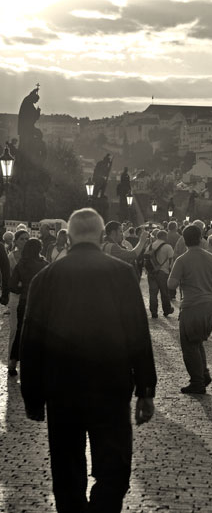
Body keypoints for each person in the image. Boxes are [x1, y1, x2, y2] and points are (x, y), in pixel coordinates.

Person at [20, 208, 157, 513]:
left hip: (62, 390)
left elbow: (31, 341)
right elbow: (138, 333)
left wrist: (32, 396)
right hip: (111, 387)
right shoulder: (122, 274)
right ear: (100, 235)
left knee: (67, 472)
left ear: (67, 237)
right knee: (115, 468)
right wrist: (146, 389)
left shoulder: (45, 278)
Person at [168, 225, 212, 394]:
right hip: (211, 303)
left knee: (189, 345)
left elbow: (171, 284)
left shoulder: (182, 260)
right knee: (197, 341)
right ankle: (204, 374)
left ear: (184, 240)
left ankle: (197, 382)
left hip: (192, 305)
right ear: (201, 239)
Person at [9, 238, 48, 374]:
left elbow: (12, 286)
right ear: (40, 249)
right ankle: (34, 364)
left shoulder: (21, 264)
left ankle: (13, 363)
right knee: (38, 335)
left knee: (20, 332)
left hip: (24, 301)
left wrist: (22, 288)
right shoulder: (45, 265)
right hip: (41, 304)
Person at [7, 229, 30, 375]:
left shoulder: (33, 257)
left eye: (27, 239)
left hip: (28, 297)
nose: (25, 241)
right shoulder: (11, 257)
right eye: (22, 239)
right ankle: (11, 361)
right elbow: (9, 279)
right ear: (15, 241)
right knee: (15, 329)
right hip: (15, 297)